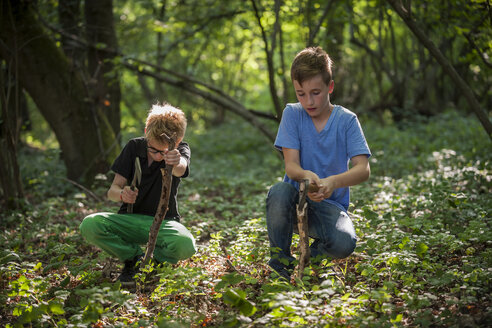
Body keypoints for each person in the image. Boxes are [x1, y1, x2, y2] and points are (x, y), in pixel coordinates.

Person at [266, 46, 371, 281]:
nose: (308, 101)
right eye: (300, 93)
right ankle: (280, 263)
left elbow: (363, 169)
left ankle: (308, 258)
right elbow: (291, 166)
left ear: (330, 86)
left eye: (315, 92)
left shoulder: (346, 121)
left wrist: (333, 182)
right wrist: (307, 176)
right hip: (293, 202)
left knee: (345, 242)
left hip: (329, 208)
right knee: (278, 191)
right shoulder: (292, 114)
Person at [80, 103, 196, 286]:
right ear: (146, 132)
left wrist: (174, 161)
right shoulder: (134, 147)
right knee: (90, 224)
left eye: (163, 152)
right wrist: (122, 195)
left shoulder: (180, 151)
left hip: (165, 222)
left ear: (178, 140)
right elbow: (112, 191)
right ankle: (133, 259)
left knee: (186, 244)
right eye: (153, 149)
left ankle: (155, 264)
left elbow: (181, 168)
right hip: (131, 220)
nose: (158, 156)